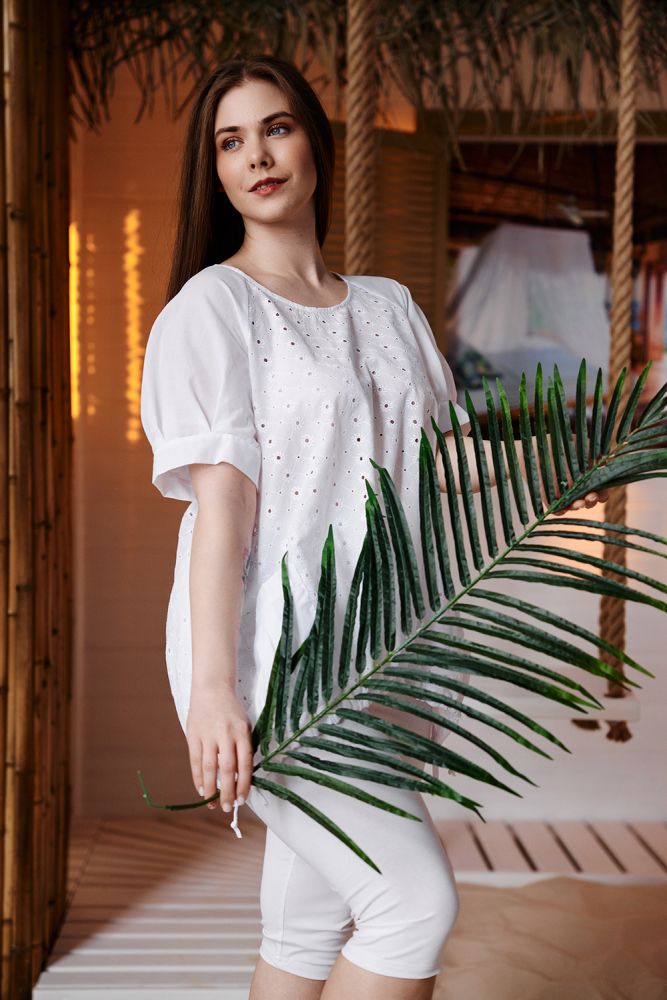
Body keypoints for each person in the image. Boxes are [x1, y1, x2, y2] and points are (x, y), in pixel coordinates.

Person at [140, 54, 608, 1000]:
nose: (256, 156)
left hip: (386, 644)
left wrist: (588, 450)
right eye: (230, 142)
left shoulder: (389, 305)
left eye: (275, 128)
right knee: (412, 905)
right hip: (281, 660)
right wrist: (214, 690)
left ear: (313, 140)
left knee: (306, 925)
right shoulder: (212, 308)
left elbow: (443, 464)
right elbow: (222, 510)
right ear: (214, 171)